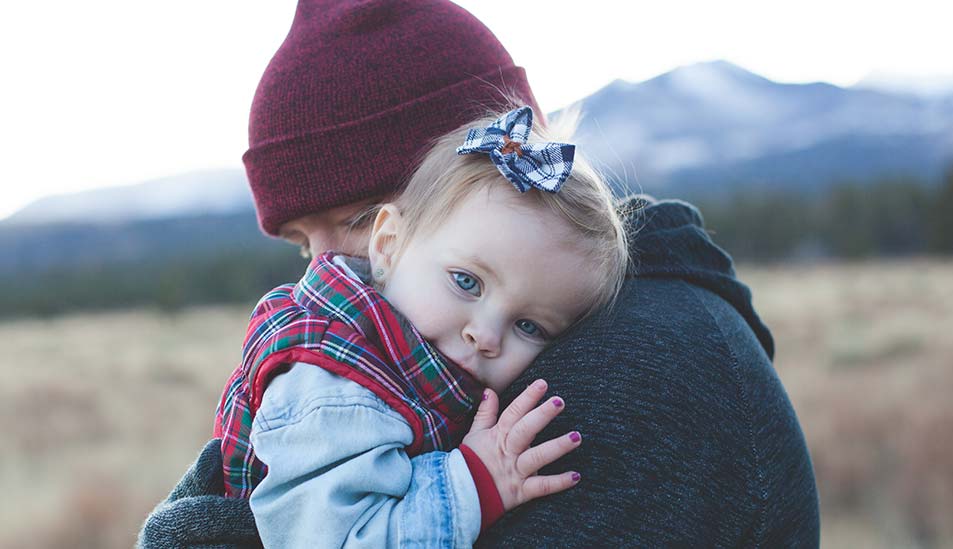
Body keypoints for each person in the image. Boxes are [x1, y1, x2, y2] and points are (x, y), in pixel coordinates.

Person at [138, 0, 820, 547]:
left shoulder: (628, 377)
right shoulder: (386, 362)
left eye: (354, 220)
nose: (323, 271)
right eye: (298, 243)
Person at [216, 105, 628, 547]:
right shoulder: (334, 388)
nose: (486, 336)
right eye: (466, 282)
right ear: (389, 245)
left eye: (529, 326)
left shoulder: (409, 360)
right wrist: (475, 482)